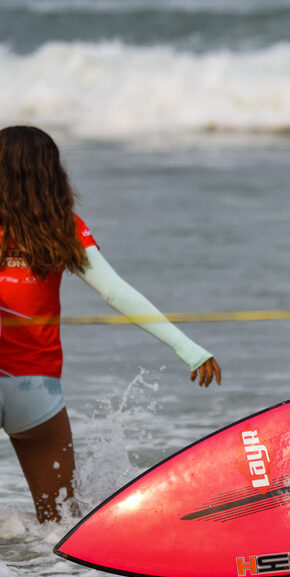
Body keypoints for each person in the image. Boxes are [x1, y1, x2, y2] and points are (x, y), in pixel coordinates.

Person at [0, 125, 221, 523]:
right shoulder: (62, 227)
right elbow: (116, 292)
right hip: (35, 389)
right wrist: (187, 348)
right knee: (61, 524)